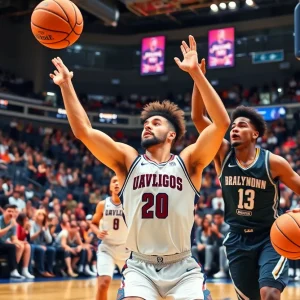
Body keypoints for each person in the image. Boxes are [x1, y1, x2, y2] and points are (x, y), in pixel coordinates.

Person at [50, 35, 230, 300]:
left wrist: (196, 75)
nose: (148, 125)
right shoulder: (128, 160)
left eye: (156, 122)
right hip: (140, 266)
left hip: (182, 267)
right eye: (146, 123)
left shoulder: (189, 161)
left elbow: (221, 123)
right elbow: (84, 131)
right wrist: (66, 85)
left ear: (172, 135)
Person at [191, 59, 300, 300]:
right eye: (233, 126)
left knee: (270, 294)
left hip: (271, 235)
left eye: (242, 125)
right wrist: (197, 76)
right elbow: (199, 118)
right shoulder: (222, 154)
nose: (235, 129)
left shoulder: (274, 162)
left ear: (256, 134)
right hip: (237, 239)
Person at [90, 175, 129, 300]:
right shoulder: (102, 204)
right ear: (110, 186)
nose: (117, 183)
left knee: (132, 286)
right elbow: (93, 223)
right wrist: (97, 232)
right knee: (103, 283)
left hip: (127, 249)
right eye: (114, 181)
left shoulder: (130, 204)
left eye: (119, 181)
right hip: (107, 248)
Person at [0, 204, 34, 279]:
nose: (11, 213)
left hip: (3, 244)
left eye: (13, 211)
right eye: (9, 211)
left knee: (25, 246)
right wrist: (10, 226)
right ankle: (13, 270)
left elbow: (14, 238)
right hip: (2, 243)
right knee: (12, 247)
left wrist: (19, 243)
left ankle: (23, 270)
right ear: (4, 212)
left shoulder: (12, 223)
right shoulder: (1, 220)